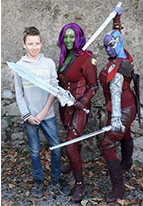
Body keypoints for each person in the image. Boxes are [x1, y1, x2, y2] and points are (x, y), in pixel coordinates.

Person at [14, 26, 70, 198]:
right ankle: (39, 181)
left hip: (48, 115)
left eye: (37, 43)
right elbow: (19, 94)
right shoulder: (19, 66)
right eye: (30, 44)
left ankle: (55, 178)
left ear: (41, 43)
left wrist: (44, 111)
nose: (34, 47)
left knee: (56, 148)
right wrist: (28, 116)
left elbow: (54, 89)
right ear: (24, 44)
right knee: (34, 150)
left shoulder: (49, 64)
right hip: (29, 117)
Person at [97, 7, 140, 202]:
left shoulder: (116, 68)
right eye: (105, 46)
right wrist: (117, 18)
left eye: (110, 45)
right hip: (131, 104)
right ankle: (127, 162)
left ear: (118, 44)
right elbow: (118, 34)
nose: (107, 50)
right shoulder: (123, 56)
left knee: (107, 144)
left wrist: (115, 119)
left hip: (121, 107)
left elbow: (115, 95)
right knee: (127, 132)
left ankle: (118, 188)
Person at [56, 23, 98, 203]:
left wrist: (84, 100)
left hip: (80, 107)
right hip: (65, 106)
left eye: (72, 36)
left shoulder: (85, 59)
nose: (68, 39)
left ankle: (80, 184)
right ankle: (74, 164)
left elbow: (94, 85)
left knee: (70, 145)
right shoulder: (64, 57)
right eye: (66, 36)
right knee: (72, 140)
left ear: (78, 37)